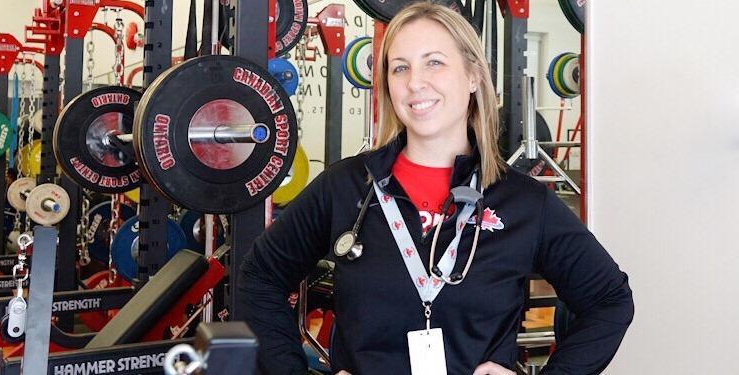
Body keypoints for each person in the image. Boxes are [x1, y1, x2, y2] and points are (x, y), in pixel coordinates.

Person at [236, 2, 634, 374]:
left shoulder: (524, 202)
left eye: (435, 63)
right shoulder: (345, 187)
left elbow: (610, 301)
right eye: (400, 68)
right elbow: (259, 277)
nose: (415, 83)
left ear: (474, 76)